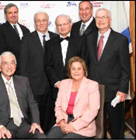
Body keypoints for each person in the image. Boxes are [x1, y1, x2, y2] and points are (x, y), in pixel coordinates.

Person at [87, 8, 130, 138]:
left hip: (114, 92)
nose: (100, 20)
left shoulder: (121, 40)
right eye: (98, 18)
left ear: (110, 20)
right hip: (94, 91)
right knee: (98, 129)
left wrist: (122, 90)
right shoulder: (89, 38)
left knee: (116, 127)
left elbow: (125, 68)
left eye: (104, 17)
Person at [0, 51, 46, 139]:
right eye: (5, 63)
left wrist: (35, 122)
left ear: (15, 66)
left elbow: (32, 103)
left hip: (23, 124)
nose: (9, 66)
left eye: (12, 63)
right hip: (4, 125)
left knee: (41, 137)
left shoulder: (24, 81)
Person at [44, 14, 88, 133]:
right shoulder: (49, 43)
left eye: (64, 24)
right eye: (59, 25)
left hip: (77, 87)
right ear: (56, 27)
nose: (62, 27)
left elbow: (84, 63)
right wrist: (57, 82)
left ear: (70, 24)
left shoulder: (81, 40)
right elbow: (48, 66)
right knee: (59, 118)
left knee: (77, 115)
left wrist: (77, 82)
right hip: (57, 88)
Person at [19, 11, 58, 131]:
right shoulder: (27, 39)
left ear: (48, 22)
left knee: (51, 117)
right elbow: (22, 65)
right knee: (36, 118)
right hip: (35, 86)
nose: (41, 23)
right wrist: (25, 87)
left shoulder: (56, 37)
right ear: (35, 23)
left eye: (44, 20)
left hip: (53, 86)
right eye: (38, 21)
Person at [47, 56, 100, 138]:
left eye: (79, 69)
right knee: (50, 137)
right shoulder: (64, 84)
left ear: (84, 70)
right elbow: (58, 107)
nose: (76, 71)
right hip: (64, 122)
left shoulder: (92, 85)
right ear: (69, 71)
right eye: (73, 69)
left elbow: (92, 111)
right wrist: (61, 122)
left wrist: (73, 126)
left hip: (83, 126)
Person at [0, 3, 30, 74]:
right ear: (6, 15)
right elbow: (1, 51)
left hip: (26, 70)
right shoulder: (0, 30)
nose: (13, 15)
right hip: (10, 70)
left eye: (15, 12)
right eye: (10, 13)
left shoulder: (26, 30)